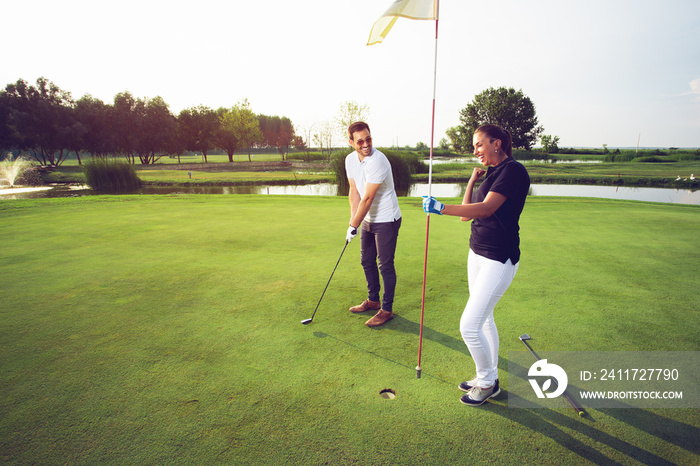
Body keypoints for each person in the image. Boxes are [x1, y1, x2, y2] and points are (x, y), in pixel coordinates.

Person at [423, 124, 530, 406]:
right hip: (477, 253)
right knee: (484, 320)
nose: (475, 151)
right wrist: (473, 179)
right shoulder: (492, 172)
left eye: (479, 145)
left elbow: (485, 209)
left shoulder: (513, 171)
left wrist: (440, 208)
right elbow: (465, 216)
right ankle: (489, 378)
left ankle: (486, 382)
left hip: (499, 258)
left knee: (469, 326)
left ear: (497, 143)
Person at [345, 121, 402, 327]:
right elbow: (355, 192)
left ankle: (386, 310)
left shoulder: (378, 160)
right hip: (369, 219)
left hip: (387, 219)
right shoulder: (350, 160)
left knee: (385, 265)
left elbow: (368, 198)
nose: (366, 144)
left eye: (368, 139)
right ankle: (373, 300)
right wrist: (354, 222)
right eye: (360, 141)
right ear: (351, 142)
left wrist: (353, 224)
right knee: (366, 260)